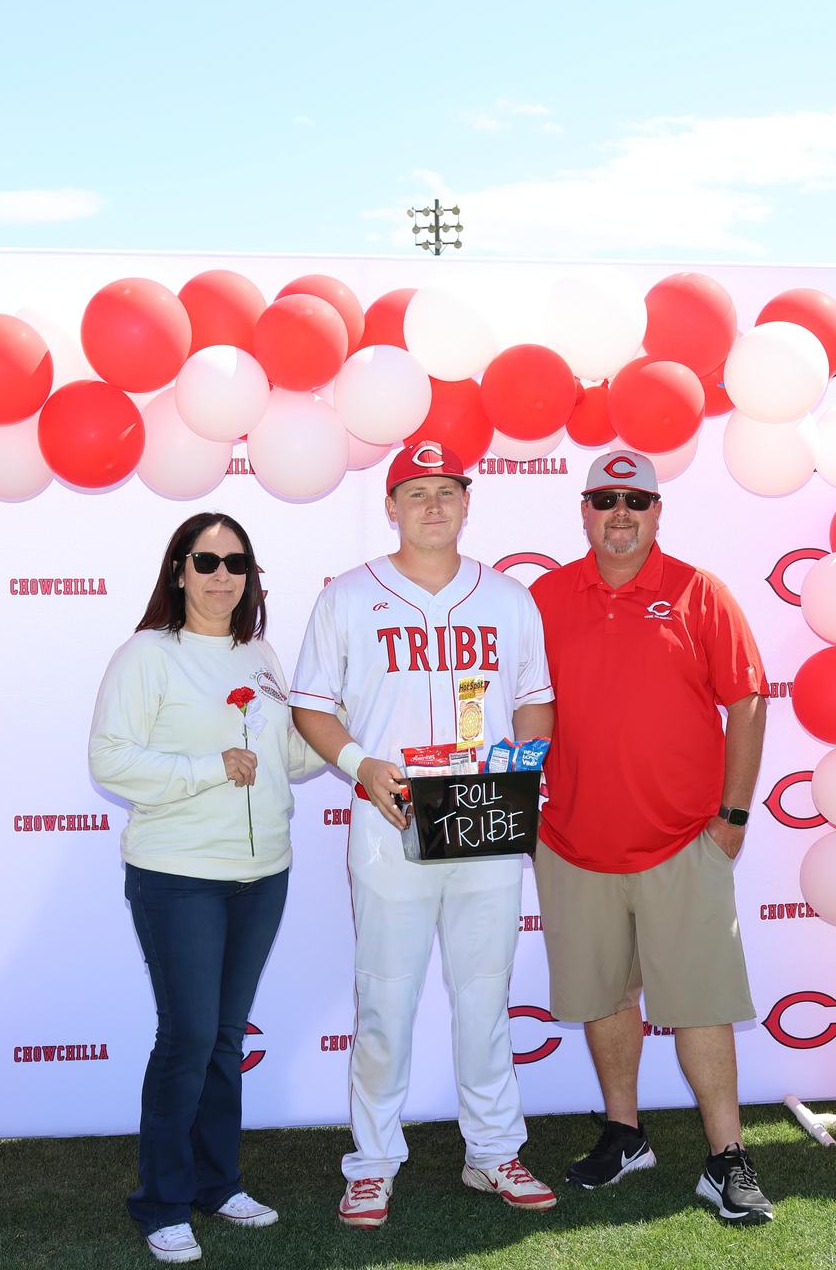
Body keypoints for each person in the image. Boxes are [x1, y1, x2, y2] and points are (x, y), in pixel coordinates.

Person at [290, 440, 558, 1228]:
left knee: (485, 997)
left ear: (468, 503)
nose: (433, 504)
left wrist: (525, 765)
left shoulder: (508, 597)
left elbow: (535, 699)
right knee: (386, 1001)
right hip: (392, 813)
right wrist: (358, 763)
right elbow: (310, 705)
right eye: (417, 492)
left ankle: (494, 1151)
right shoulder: (349, 595)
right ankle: (372, 1163)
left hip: (483, 816)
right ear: (392, 506)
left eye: (447, 490)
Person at [528, 451, 776, 1224]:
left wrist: (732, 818)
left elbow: (749, 699)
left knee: (700, 1002)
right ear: (584, 510)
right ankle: (624, 1132)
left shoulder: (698, 592)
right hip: (572, 842)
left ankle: (726, 1156)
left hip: (681, 843)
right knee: (605, 997)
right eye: (606, 500)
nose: (621, 513)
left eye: (637, 500)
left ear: (659, 512)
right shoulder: (543, 596)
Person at [89, 511, 325, 1265]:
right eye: (206, 560)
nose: (222, 575)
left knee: (225, 1037)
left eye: (236, 562)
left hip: (262, 877)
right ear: (178, 571)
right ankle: (160, 1202)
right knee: (188, 1038)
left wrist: (335, 725)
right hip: (178, 877)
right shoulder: (146, 656)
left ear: (251, 575)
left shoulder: (261, 653)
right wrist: (207, 767)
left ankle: (217, 1185)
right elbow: (110, 761)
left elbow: (288, 758)